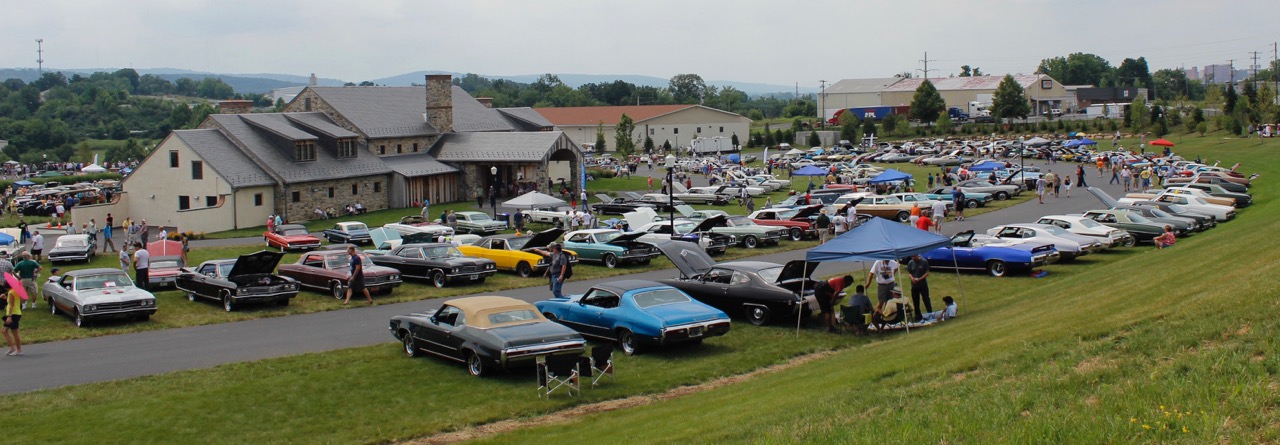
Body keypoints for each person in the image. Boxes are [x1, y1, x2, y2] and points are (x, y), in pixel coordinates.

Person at [906, 254, 933, 322]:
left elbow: (927, 273)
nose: (913, 258)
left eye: (914, 256)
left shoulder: (924, 262)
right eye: (912, 257)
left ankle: (930, 313)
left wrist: (920, 279)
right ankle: (918, 315)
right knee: (915, 301)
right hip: (914, 285)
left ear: (917, 255)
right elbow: (909, 273)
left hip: (923, 284)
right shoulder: (911, 262)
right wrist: (912, 278)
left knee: (926, 298)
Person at [3, 282, 22, 356]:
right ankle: (12, 348)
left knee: (15, 333)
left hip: (13, 314)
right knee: (4, 331)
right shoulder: (14, 291)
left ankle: (19, 350)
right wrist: (5, 298)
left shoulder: (11, 293)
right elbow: (12, 301)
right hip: (12, 314)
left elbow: (11, 305)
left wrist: (9, 317)